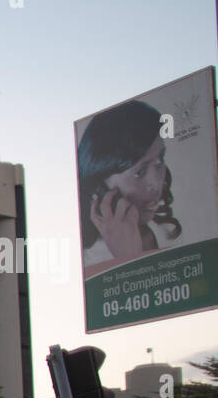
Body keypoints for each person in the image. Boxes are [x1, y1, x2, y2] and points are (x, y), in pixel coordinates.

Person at [77, 99, 182, 270]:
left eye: (159, 160)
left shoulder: (167, 230)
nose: (156, 183)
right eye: (139, 172)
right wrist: (128, 257)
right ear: (99, 187)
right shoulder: (90, 260)